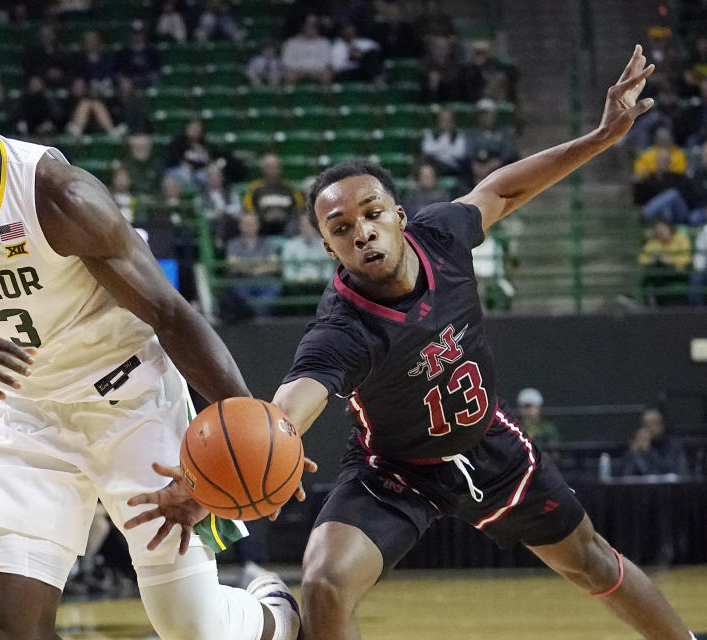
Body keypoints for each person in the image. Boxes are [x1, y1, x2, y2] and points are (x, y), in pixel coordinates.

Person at [127, 46, 696, 640]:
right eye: (341, 229)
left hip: (489, 444)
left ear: (399, 215)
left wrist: (601, 138)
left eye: (371, 214)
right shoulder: (342, 329)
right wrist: (211, 485)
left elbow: (501, 191)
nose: (362, 232)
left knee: (594, 560)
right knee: (323, 582)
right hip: (395, 471)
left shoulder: (442, 236)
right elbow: (287, 413)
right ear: (329, 249)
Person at [0, 42, 301, 640]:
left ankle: (277, 612)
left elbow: (169, 313)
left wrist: (246, 421)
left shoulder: (55, 192)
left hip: (131, 404)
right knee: (9, 632)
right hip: (25, 417)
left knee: (195, 630)